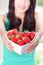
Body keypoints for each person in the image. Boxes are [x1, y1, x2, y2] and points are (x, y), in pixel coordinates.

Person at [0, 0, 43, 65]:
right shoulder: (3, 17)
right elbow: (2, 30)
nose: (23, 3)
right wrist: (4, 35)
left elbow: (40, 26)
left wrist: (38, 35)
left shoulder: (37, 16)